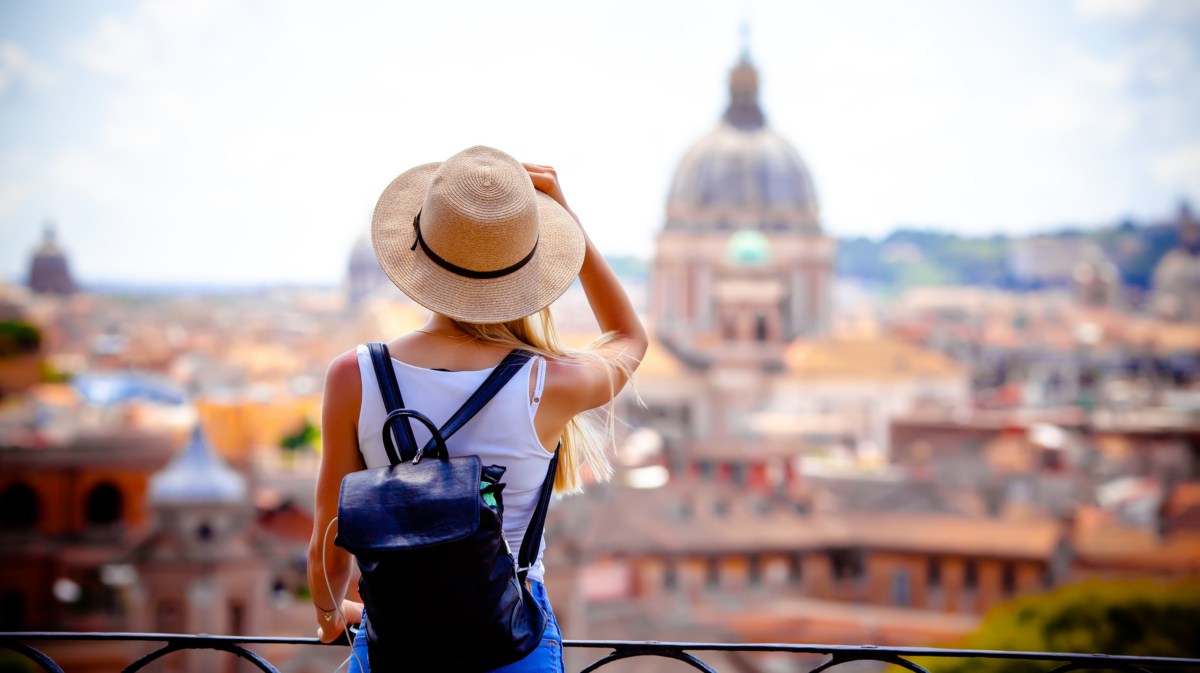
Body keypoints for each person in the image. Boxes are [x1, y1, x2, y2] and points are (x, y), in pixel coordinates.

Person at [306, 145, 647, 672]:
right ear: (530, 266)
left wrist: (331, 617)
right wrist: (569, 224)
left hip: (396, 646)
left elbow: (329, 544)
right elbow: (628, 337)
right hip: (511, 645)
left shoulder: (353, 375)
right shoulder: (547, 382)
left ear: (419, 253)